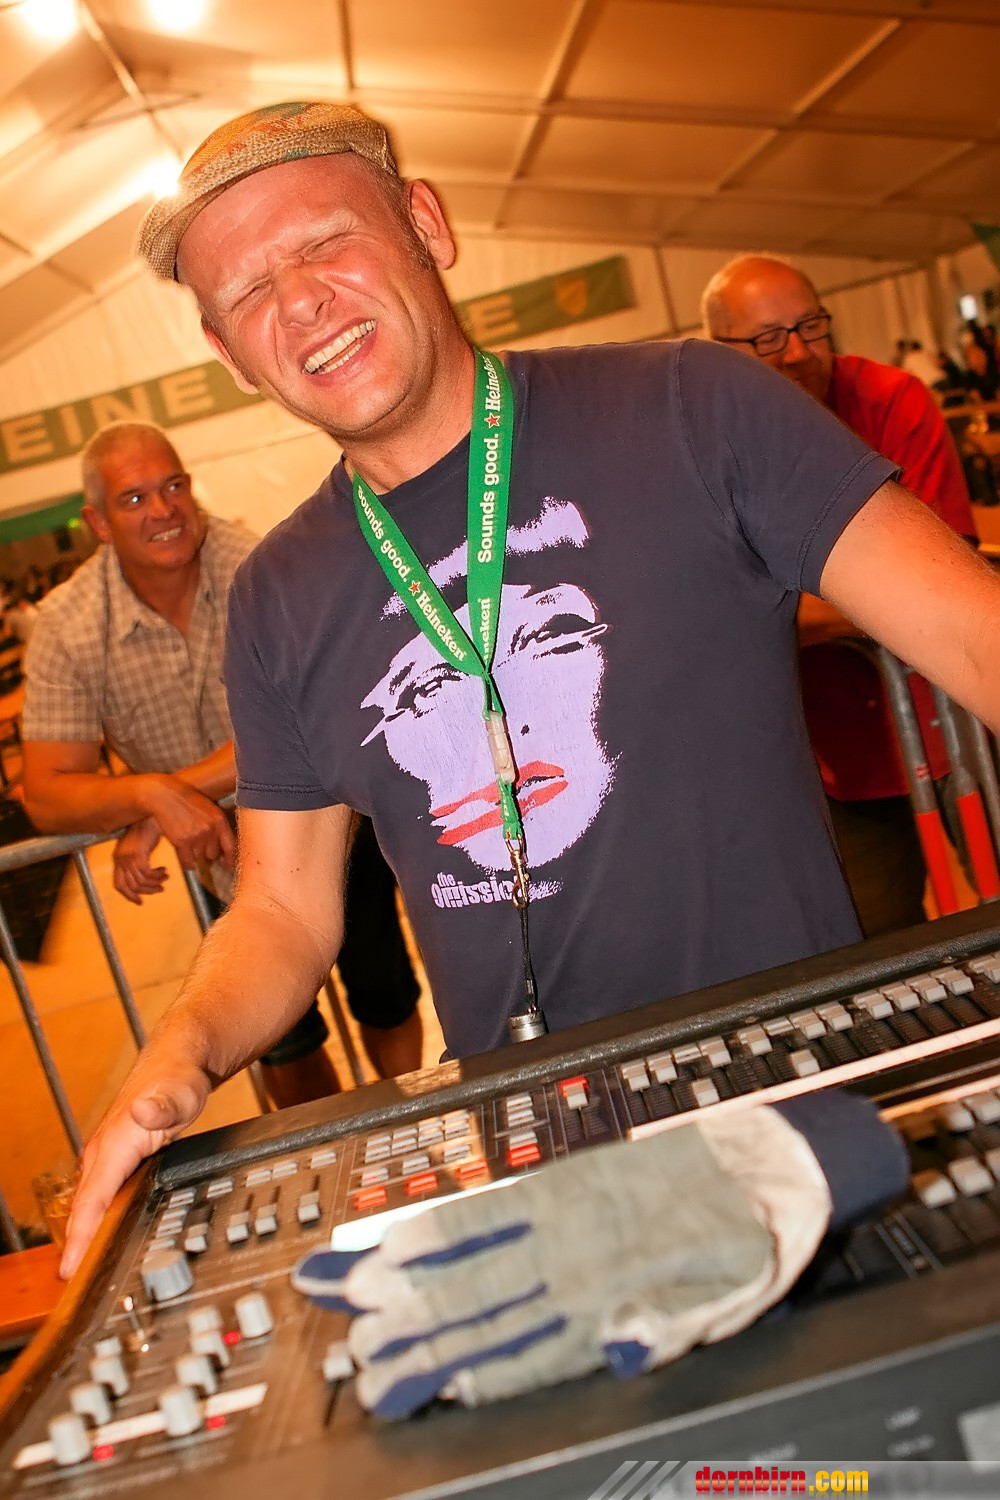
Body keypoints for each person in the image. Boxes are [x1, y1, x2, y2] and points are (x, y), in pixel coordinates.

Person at [59, 102, 1000, 1287]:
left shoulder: (694, 405)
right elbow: (285, 909)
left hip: (809, 1116)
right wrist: (182, 1050)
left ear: (425, 225)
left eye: (325, 243)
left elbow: (974, 636)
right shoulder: (279, 598)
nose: (298, 303)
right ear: (227, 352)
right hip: (550, 1176)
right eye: (248, 293)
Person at [20, 421, 421, 1106]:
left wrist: (163, 799)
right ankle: (325, 1158)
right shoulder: (68, 626)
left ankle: (410, 1123)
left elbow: (313, 719)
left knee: (384, 997)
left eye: (173, 485)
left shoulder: (262, 566)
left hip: (334, 829)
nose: (164, 509)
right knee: (278, 1040)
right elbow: (46, 795)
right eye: (135, 498)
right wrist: (151, 797)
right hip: (219, 861)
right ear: (98, 523)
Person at [701, 254, 978, 936]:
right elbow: (716, 609)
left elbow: (942, 578)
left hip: (951, 710)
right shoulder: (708, 446)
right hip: (830, 753)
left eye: (811, 326)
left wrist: (784, 605)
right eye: (768, 338)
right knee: (877, 948)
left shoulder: (890, 400)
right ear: (721, 350)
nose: (798, 352)